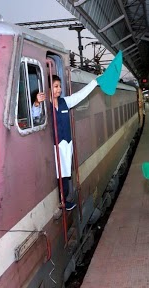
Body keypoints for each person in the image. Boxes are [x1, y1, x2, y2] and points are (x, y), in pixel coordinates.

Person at [37, 75, 99, 210]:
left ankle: (64, 200)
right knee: (57, 174)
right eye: (56, 86)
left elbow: (80, 95)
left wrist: (94, 82)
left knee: (65, 173)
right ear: (48, 88)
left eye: (59, 86)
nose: (59, 89)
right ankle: (60, 199)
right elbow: (35, 116)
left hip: (66, 144)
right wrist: (36, 103)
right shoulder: (44, 106)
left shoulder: (66, 102)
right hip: (53, 146)